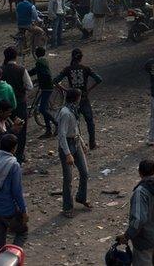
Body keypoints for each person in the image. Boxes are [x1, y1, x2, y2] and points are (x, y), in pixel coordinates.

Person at [116, 159, 154, 266]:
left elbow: (139, 219)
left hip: (144, 241)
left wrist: (127, 236)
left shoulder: (140, 192)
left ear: (140, 173)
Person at [53, 48, 103, 149]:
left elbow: (55, 81)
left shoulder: (67, 69)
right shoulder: (85, 68)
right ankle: (92, 143)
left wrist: (66, 90)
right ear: (81, 58)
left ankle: (78, 145)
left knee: (75, 123)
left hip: (72, 100)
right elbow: (99, 79)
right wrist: (88, 89)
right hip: (83, 98)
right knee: (90, 122)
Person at [56, 88, 91, 218]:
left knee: (84, 172)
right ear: (76, 98)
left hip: (75, 142)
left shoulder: (73, 110)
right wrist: (68, 154)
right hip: (68, 145)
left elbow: (76, 128)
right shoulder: (65, 113)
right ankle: (67, 207)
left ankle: (81, 197)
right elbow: (62, 135)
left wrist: (82, 143)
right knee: (68, 178)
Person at [1, 47, 33, 162]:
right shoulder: (21, 69)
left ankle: (8, 154)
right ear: (16, 57)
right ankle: (18, 156)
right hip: (20, 103)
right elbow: (29, 86)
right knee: (21, 130)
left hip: (5, 106)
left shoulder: (1, 69)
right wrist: (21, 87)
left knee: (7, 130)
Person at [29, 47, 56, 138]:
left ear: (37, 53)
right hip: (46, 87)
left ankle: (56, 124)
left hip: (46, 87)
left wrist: (26, 74)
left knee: (42, 110)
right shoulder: (44, 61)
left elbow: (41, 73)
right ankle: (48, 130)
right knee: (44, 109)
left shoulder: (39, 62)